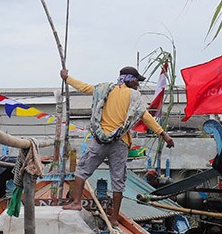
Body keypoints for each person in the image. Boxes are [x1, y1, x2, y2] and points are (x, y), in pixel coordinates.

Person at [61, 66, 174, 225]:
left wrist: (67, 78)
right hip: (120, 143)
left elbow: (84, 87)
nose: (138, 84)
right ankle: (114, 218)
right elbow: (146, 116)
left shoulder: (104, 90)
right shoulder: (134, 96)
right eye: (137, 81)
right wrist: (164, 135)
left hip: (100, 140)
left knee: (81, 170)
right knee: (118, 181)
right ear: (130, 79)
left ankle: (77, 202)